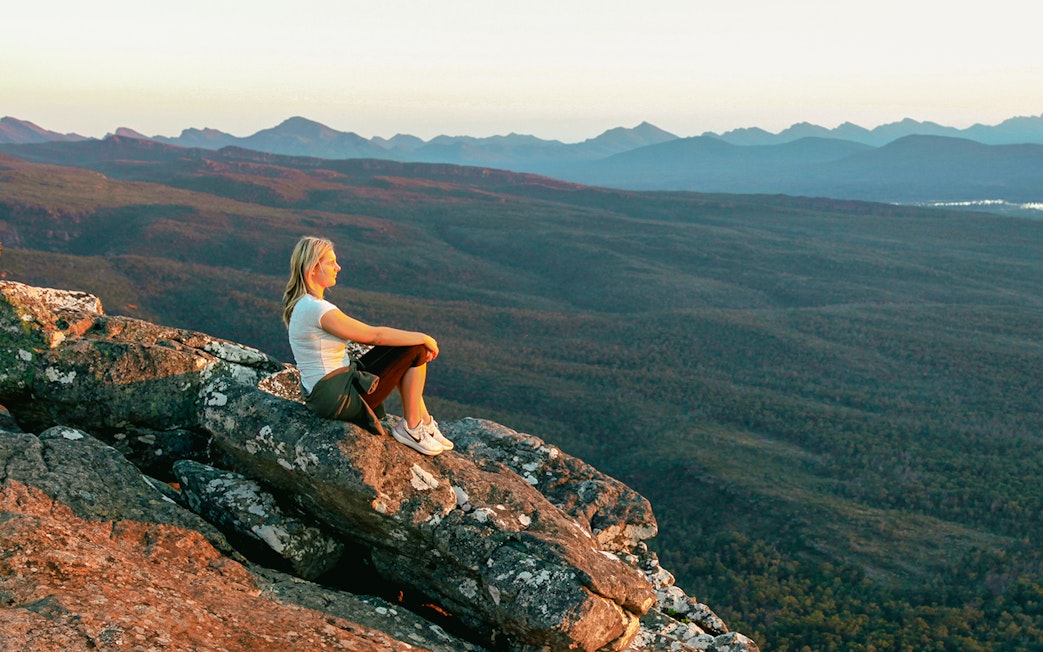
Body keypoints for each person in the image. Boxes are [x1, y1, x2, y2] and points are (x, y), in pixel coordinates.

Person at [282, 236, 452, 455]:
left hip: (325, 393)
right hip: (337, 398)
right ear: (313, 268)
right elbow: (375, 336)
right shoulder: (317, 309)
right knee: (415, 349)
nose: (338, 267)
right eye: (331, 263)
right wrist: (424, 337)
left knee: (405, 350)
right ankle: (411, 427)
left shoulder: (304, 304)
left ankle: (424, 422)